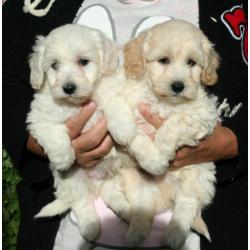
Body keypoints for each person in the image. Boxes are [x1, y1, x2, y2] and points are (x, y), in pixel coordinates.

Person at [3, 0, 247, 250]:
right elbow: (7, 82)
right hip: (70, 230)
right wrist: (44, 140)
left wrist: (234, 140)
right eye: (163, 60)